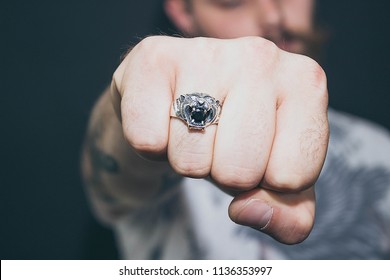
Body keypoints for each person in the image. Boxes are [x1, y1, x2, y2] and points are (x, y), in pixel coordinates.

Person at [81, 0, 390, 259]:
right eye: (233, 1)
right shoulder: (167, 155)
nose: (272, 15)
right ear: (184, 13)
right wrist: (131, 97)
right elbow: (120, 171)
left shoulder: (380, 149)